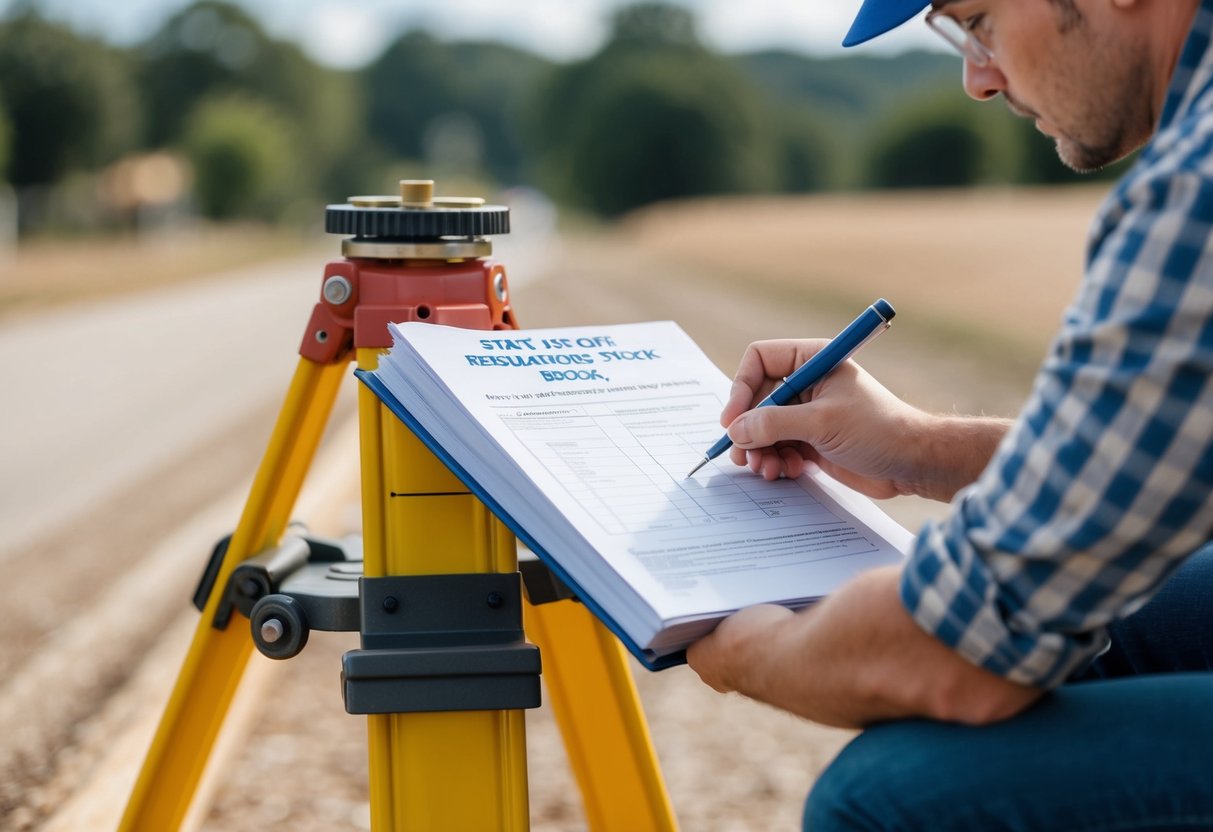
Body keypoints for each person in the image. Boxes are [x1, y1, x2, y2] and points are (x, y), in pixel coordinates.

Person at [685, 0, 1213, 829]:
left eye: (977, 18)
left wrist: (751, 653)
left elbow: (960, 650)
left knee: (886, 799)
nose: (976, 77)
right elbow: (1161, 462)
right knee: (1127, 612)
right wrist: (917, 447)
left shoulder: (1197, 187)